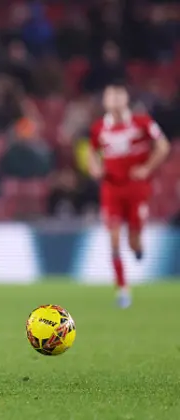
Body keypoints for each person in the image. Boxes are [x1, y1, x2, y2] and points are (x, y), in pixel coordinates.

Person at [87, 83, 170, 308]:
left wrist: (147, 168)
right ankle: (123, 289)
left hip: (136, 187)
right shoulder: (98, 128)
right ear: (104, 101)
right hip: (111, 188)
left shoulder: (142, 122)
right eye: (110, 96)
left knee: (133, 242)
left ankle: (138, 248)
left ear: (125, 99)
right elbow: (91, 151)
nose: (114, 100)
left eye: (118, 96)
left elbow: (163, 145)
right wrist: (94, 167)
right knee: (113, 239)